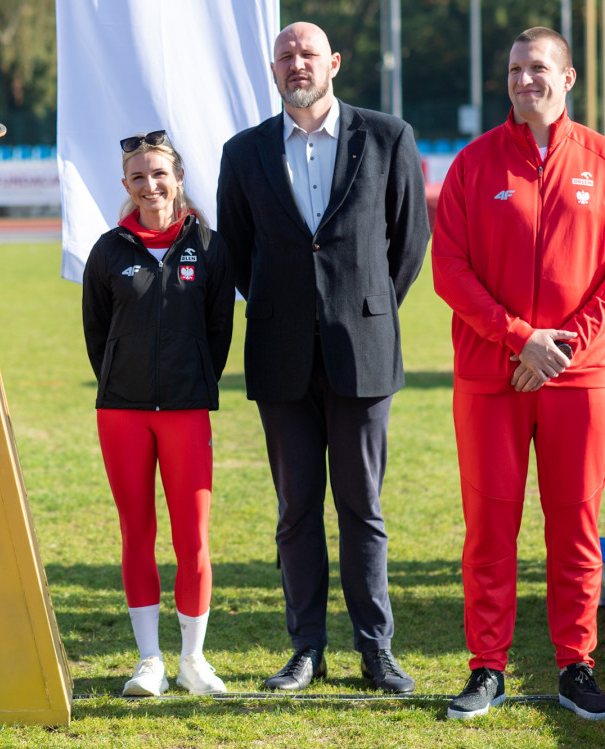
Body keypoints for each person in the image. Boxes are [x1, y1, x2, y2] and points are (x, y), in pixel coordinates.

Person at [216, 22, 429, 694]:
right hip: (281, 356)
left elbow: (409, 241)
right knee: (296, 508)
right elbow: (239, 252)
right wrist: (292, 309)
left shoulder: (387, 136)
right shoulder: (243, 152)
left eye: (308, 53)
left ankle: (377, 649)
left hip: (362, 350)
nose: (296, 64)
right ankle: (306, 648)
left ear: (333, 62)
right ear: (273, 70)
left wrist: (360, 305)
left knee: (362, 506)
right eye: (285, 56)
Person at [433, 27, 605, 721]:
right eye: (513, 68)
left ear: (567, 79)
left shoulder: (599, 158)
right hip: (490, 375)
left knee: (575, 525)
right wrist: (519, 339)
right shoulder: (473, 164)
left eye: (537, 68)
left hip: (578, 377)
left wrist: (560, 348)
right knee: (490, 527)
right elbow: (450, 269)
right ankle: (487, 666)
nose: (522, 79)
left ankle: (576, 662)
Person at [82, 130, 235, 696]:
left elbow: (220, 329)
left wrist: (190, 379)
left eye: (159, 174)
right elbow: (97, 333)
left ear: (178, 179)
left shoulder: (210, 246)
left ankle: (193, 659)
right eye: (139, 177)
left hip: (186, 410)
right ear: (126, 185)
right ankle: (150, 661)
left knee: (192, 537)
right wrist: (123, 379)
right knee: (136, 531)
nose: (151, 186)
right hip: (121, 413)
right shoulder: (108, 249)